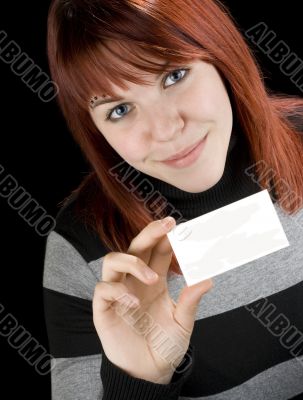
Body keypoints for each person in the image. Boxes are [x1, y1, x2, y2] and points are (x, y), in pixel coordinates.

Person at [43, 0, 303, 399]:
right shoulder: (82, 252)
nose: (166, 131)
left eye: (174, 75)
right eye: (120, 109)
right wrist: (137, 381)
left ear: (223, 56)